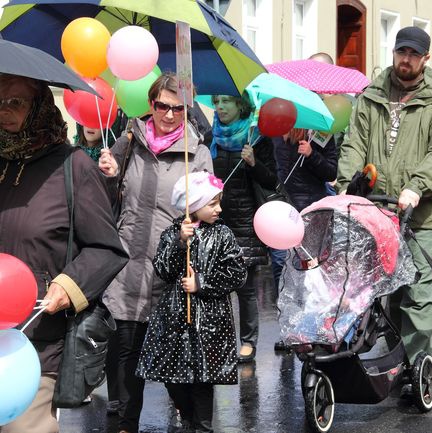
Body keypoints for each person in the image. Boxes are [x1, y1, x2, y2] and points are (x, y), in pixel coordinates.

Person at [0, 73, 128, 433]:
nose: (4, 111)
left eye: (16, 102)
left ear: (39, 105)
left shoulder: (72, 167)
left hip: (38, 340)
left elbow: (107, 249)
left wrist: (70, 285)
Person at [337, 26, 432, 367]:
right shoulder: (371, 94)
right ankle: (396, 360)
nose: (406, 60)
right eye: (401, 52)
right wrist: (348, 183)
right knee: (385, 292)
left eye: (414, 55)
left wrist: (417, 186)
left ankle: (419, 363)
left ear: (425, 59)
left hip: (422, 217)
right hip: (376, 212)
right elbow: (354, 143)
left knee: (417, 294)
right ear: (394, 53)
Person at [99, 72, 213, 433]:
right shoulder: (129, 141)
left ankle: (191, 418)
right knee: (127, 358)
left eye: (178, 108)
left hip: (172, 270)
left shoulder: (198, 152)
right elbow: (103, 193)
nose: (168, 114)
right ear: (151, 104)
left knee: (172, 364)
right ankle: (125, 425)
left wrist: (193, 230)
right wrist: (108, 173)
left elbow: (210, 210)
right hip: (129, 267)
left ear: (187, 109)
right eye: (162, 105)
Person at [136, 172, 247, 433]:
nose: (219, 209)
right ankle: (187, 415)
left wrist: (202, 283)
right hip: (174, 319)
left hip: (210, 321)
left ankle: (202, 426)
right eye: (212, 203)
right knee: (173, 378)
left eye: (220, 202)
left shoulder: (223, 234)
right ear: (192, 205)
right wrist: (179, 243)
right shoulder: (173, 232)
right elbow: (162, 269)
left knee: (203, 381)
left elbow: (237, 273)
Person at [210, 93, 278, 363]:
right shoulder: (211, 136)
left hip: (246, 221)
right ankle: (220, 340)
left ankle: (248, 342)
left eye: (226, 101)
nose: (220, 107)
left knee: (245, 287)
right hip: (217, 220)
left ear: (241, 105)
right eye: (217, 102)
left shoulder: (257, 138)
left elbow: (272, 179)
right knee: (215, 287)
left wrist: (253, 163)